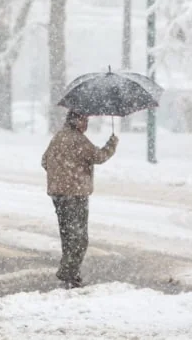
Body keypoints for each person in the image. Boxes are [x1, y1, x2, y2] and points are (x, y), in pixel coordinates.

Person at [42, 111, 118, 288]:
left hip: (58, 194)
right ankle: (68, 273)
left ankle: (71, 273)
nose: (87, 125)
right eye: (85, 121)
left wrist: (59, 174)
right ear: (76, 121)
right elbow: (99, 157)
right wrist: (112, 144)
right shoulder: (77, 139)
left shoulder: (58, 137)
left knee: (67, 234)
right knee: (79, 238)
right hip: (75, 194)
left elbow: (44, 161)